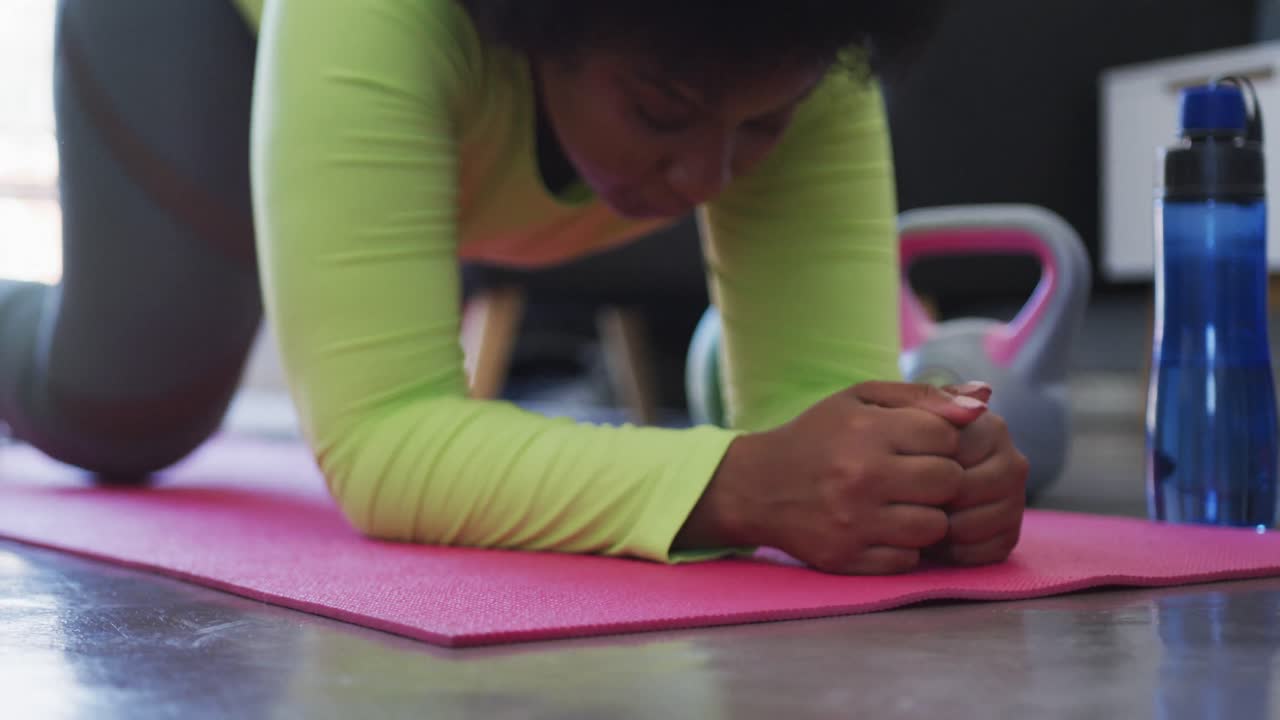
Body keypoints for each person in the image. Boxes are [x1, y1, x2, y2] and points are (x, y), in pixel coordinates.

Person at [0, 0, 1029, 575]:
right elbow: (385, 441)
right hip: (202, 30)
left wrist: (920, 478)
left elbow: (825, 422)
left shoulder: (807, 46)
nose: (709, 179)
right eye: (663, 111)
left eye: (760, 125)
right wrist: (741, 484)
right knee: (124, 410)